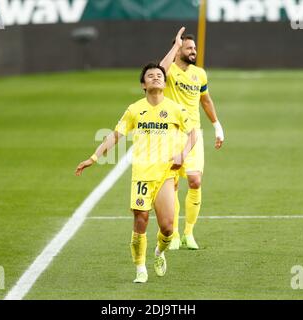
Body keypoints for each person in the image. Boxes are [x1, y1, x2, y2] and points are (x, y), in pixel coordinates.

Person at [76, 62, 197, 283]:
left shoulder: (175, 109)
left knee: (168, 228)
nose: (156, 77)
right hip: (141, 174)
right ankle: (140, 268)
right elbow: (115, 135)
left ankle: (159, 253)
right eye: (150, 76)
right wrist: (93, 157)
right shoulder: (134, 110)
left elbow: (193, 134)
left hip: (165, 174)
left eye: (159, 75)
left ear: (164, 81)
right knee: (141, 220)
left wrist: (183, 154)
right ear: (143, 84)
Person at [160, 27, 224, 250]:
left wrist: (217, 126)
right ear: (178, 50)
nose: (193, 51)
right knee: (174, 185)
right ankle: (175, 234)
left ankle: (189, 232)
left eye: (194, 47)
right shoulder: (168, 71)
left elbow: (205, 100)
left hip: (192, 135)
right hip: (170, 135)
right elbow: (158, 71)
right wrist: (175, 46)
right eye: (188, 48)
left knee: (195, 181)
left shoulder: (200, 74)